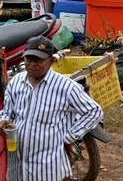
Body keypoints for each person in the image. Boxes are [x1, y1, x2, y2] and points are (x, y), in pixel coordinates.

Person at [0, 36, 103, 180]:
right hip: (18, 162)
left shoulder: (66, 87)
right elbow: (8, 111)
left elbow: (94, 111)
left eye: (38, 60)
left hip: (46, 167)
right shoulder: (16, 81)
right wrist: (3, 120)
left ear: (51, 61)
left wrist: (69, 137)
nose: (32, 64)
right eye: (28, 59)